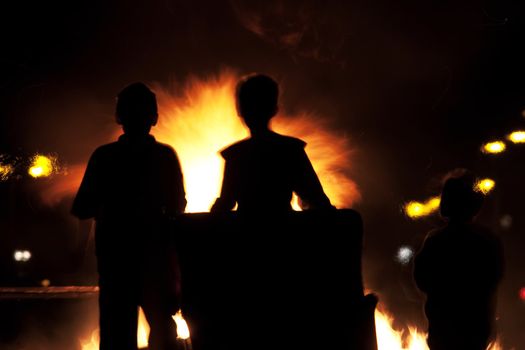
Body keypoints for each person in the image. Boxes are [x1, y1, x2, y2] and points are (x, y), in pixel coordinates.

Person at [71, 82, 186, 350]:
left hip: (115, 259)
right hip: (154, 258)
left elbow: (85, 209)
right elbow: (177, 207)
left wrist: (78, 253)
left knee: (115, 332)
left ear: (118, 117)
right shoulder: (164, 156)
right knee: (163, 330)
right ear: (154, 118)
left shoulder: (104, 157)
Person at [211, 73, 332, 213]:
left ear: (240, 110)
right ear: (274, 109)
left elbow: (226, 203)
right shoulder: (290, 150)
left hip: (245, 232)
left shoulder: (235, 155)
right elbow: (315, 198)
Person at [414, 170, 504, 350]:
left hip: (442, 329)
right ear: (475, 204)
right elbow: (493, 280)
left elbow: (421, 280)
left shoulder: (435, 240)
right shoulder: (488, 240)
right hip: (475, 329)